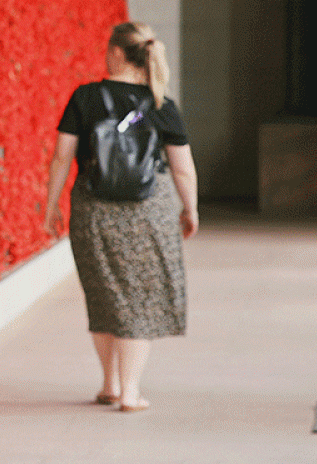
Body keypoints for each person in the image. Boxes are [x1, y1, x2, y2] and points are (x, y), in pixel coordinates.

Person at [42, 22, 199, 413]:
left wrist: (50, 205)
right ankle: (129, 392)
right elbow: (182, 168)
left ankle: (110, 384)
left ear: (114, 52)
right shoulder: (161, 103)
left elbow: (62, 155)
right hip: (150, 210)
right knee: (140, 300)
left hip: (94, 208)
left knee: (104, 292)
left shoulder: (86, 97)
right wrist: (190, 208)